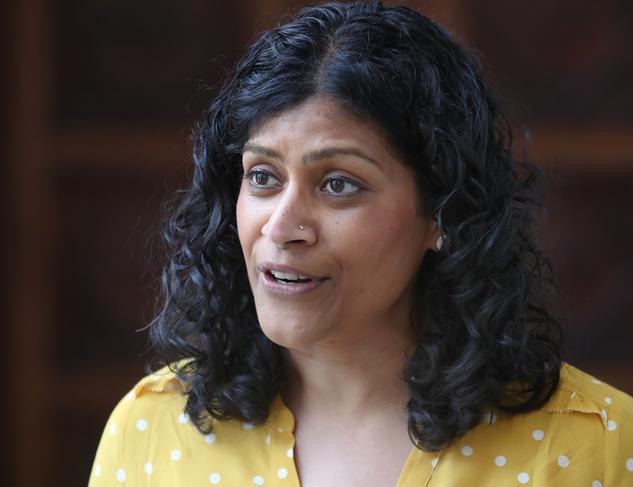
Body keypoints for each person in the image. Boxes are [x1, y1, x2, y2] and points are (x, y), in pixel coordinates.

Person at [89, 1, 633, 486]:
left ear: (442, 215)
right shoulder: (151, 434)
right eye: (262, 177)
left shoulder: (597, 447)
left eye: (338, 184)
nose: (281, 227)